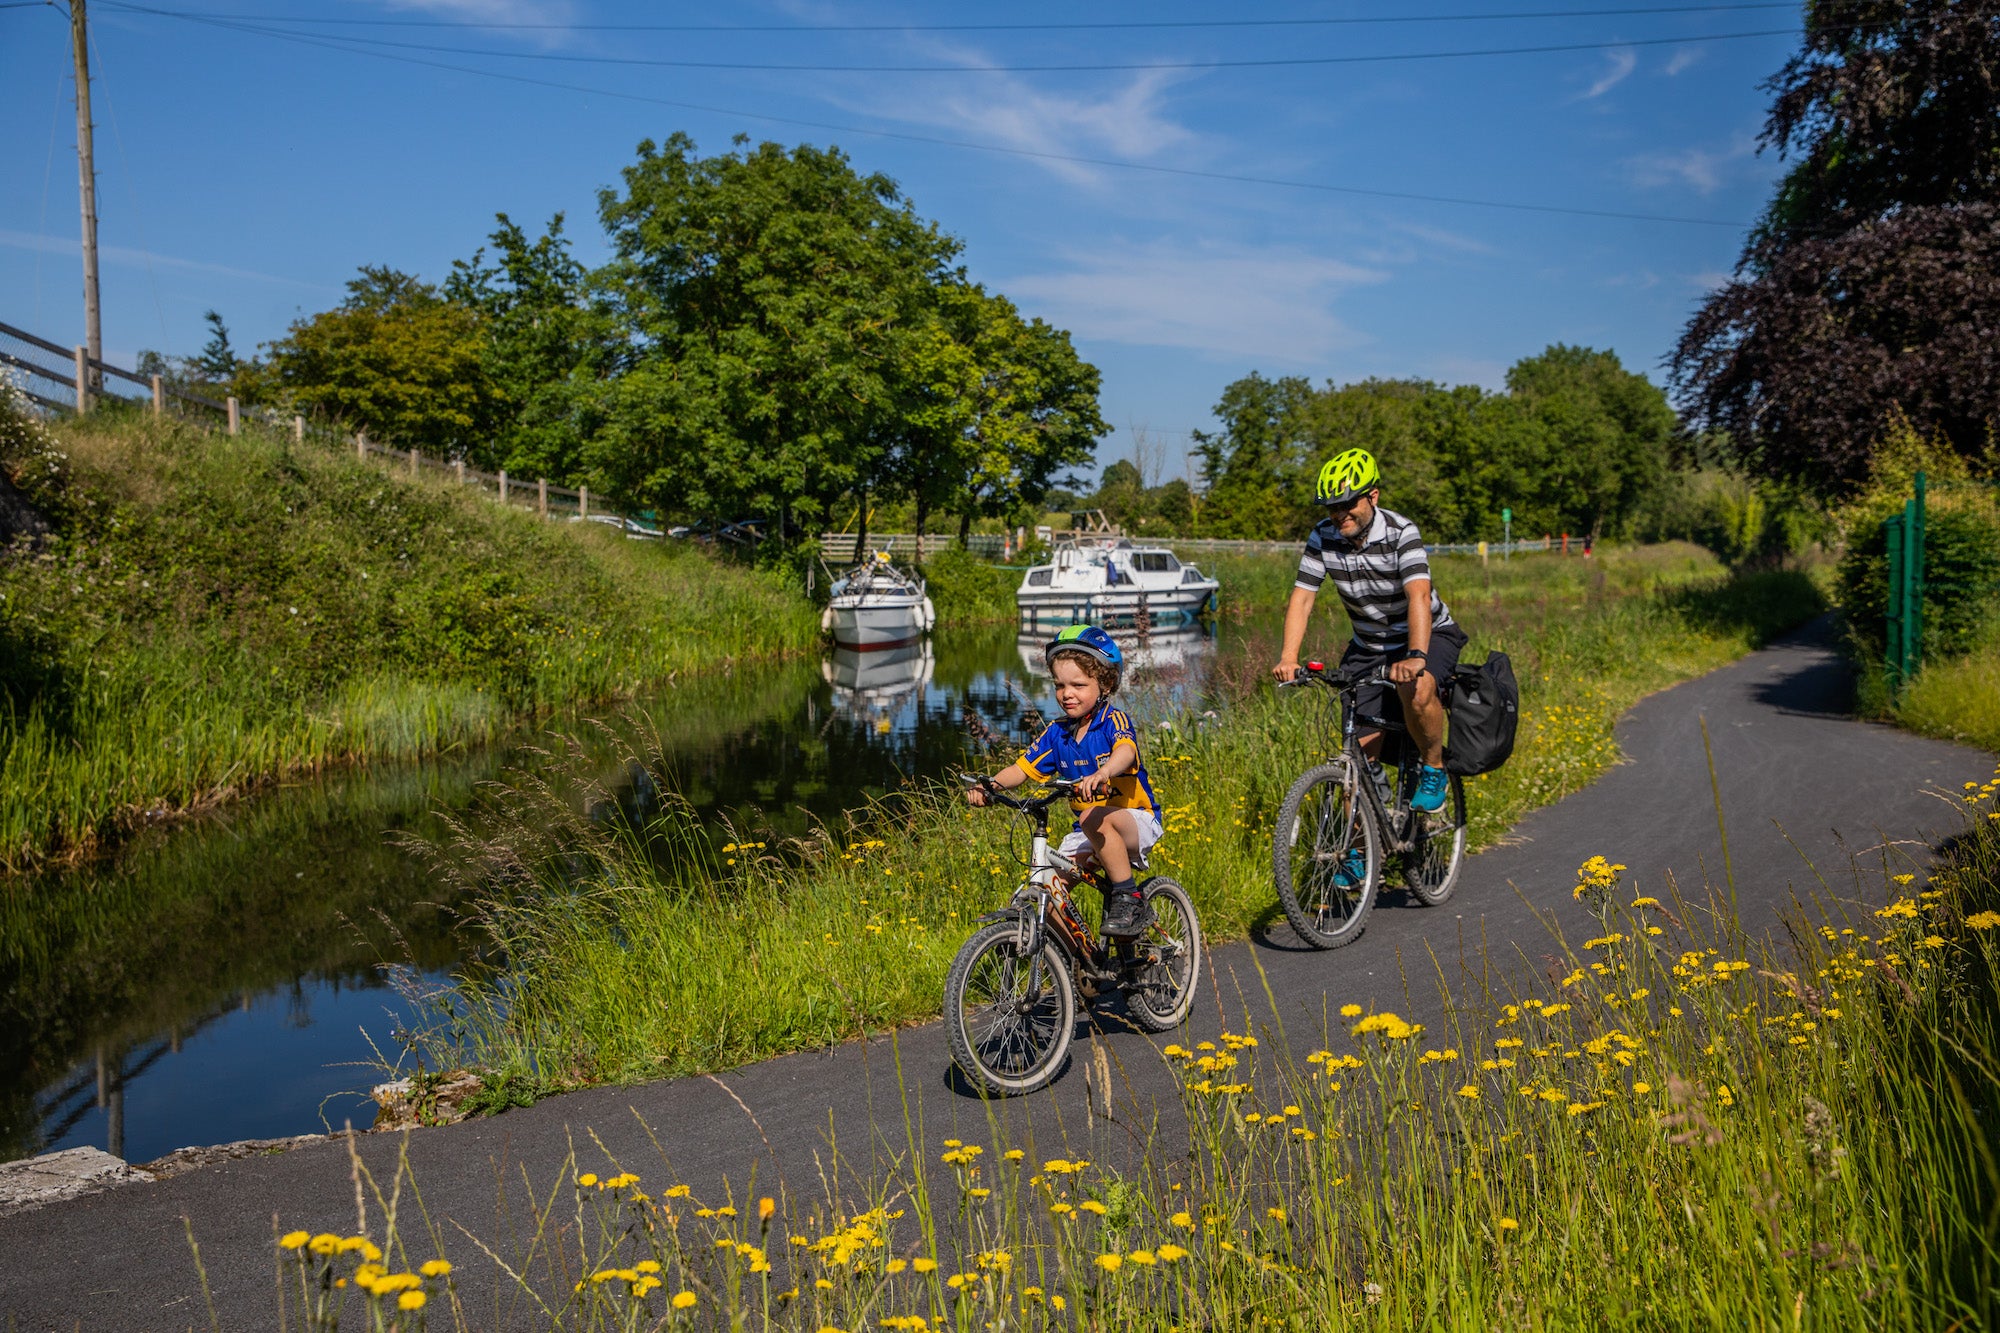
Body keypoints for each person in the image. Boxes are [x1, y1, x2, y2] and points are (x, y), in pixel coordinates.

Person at [1271, 448, 1465, 824]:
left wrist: (1416, 656)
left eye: (1348, 504)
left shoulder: (1401, 532)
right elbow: (1303, 598)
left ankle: (1434, 768)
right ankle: (1361, 850)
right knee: (1357, 755)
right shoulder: (1323, 536)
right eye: (1331, 508)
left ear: (1372, 496)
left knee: (1418, 687)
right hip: (1369, 646)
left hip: (1427, 633)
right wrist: (1288, 657)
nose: (1339, 514)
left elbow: (1419, 596)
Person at [967, 625, 1163, 937]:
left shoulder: (1113, 721)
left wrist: (1103, 773)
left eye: (1078, 685)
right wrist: (991, 786)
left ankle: (1130, 898)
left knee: (1092, 815)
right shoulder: (1057, 733)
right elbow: (1021, 769)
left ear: (1106, 683)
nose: (1066, 693)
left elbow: (1125, 752)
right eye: (1059, 685)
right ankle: (1078, 964)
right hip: (1087, 831)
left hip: (1135, 820)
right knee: (1045, 891)